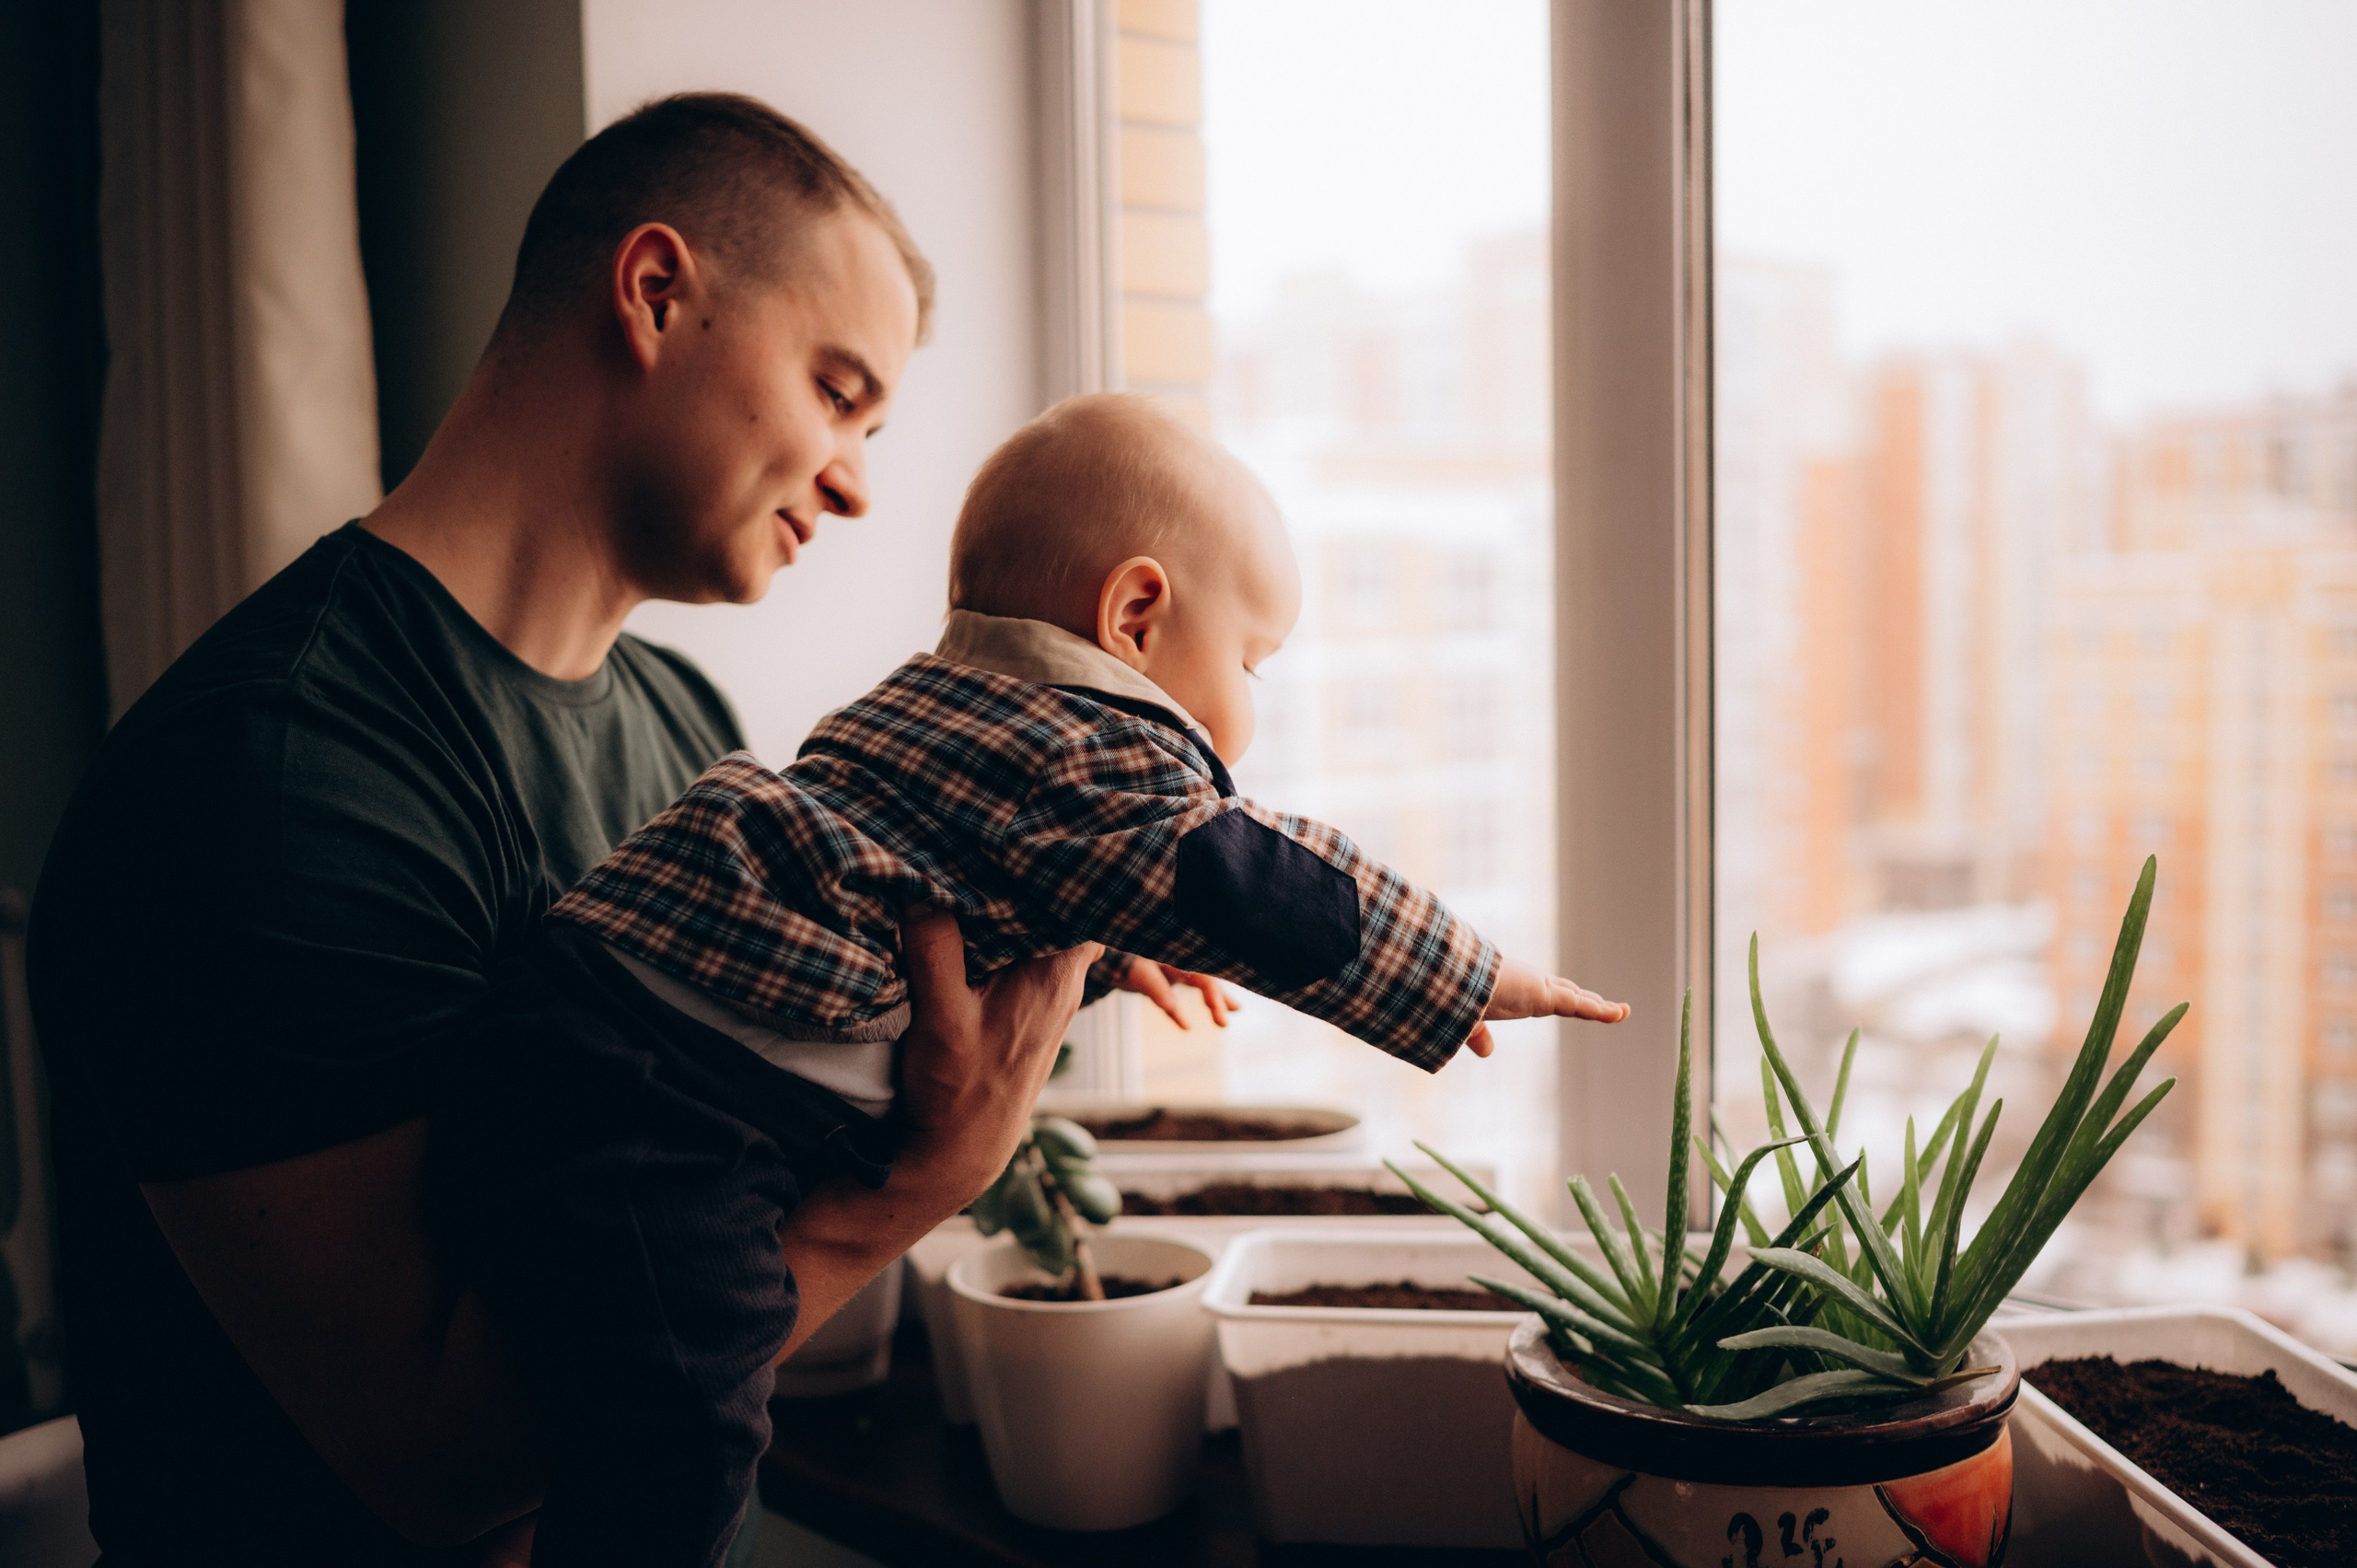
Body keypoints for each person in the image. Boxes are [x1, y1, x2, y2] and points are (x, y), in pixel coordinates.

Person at [28, 92, 1094, 1567]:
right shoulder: (272, 784)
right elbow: (445, 1472)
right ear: (655, 294)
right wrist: (914, 1186)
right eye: (838, 391)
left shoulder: (688, 730)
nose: (855, 484)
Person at [439, 392, 1631, 1566]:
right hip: (670, 1098)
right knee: (688, 1404)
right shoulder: (1087, 745)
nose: (1251, 709)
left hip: (584, 1008)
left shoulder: (941, 703)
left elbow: (988, 875)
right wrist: (1467, 973)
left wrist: (1119, 948)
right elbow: (1255, 882)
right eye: (1255, 663)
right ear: (1136, 617)